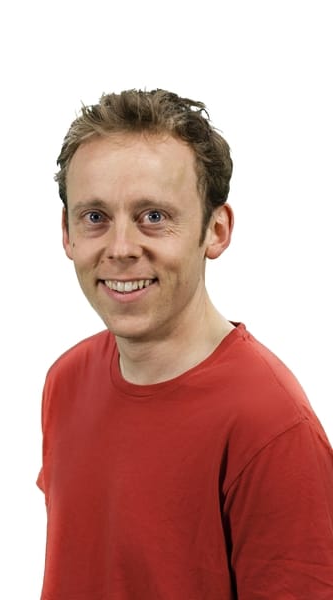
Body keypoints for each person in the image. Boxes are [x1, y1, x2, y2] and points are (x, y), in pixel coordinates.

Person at [37, 89, 333, 599]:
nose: (121, 248)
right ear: (67, 233)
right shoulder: (66, 379)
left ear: (215, 230)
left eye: (153, 216)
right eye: (95, 217)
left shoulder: (272, 427)